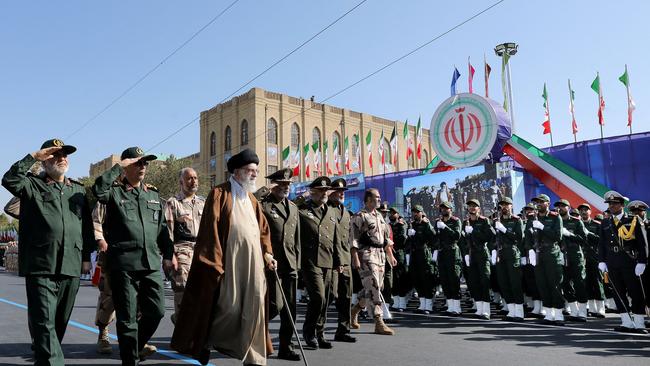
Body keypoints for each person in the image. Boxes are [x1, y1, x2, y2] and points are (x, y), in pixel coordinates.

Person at [170, 149, 275, 366]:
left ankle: (254, 358)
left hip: (254, 263)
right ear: (237, 172)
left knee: (255, 305)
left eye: (256, 170)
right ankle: (210, 339)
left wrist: (268, 253)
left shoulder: (252, 200)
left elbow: (263, 230)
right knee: (229, 307)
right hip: (229, 262)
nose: (255, 174)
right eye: (250, 170)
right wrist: (214, 263)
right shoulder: (220, 194)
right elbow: (210, 230)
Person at [2, 139, 94, 365]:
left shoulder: (78, 190)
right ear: (45, 160)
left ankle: (43, 350)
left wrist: (85, 258)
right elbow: (9, 179)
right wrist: (33, 156)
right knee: (45, 320)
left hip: (70, 263)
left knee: (58, 321)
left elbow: (86, 227)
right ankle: (51, 359)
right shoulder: (32, 185)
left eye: (64, 154)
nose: (61, 158)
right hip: (40, 263)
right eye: (55, 155)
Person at [92, 147, 174, 365]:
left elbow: (162, 228)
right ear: (127, 166)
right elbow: (98, 189)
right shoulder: (114, 192)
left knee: (156, 312)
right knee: (127, 318)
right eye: (138, 163)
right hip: (123, 265)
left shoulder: (153, 194)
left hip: (150, 264)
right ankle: (129, 360)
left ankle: (135, 348)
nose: (143, 167)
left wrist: (168, 254)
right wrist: (119, 165)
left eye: (145, 163)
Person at [257, 168, 302, 360]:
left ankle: (286, 346)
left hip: (290, 264)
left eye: (288, 184)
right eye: (281, 184)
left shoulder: (293, 207)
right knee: (275, 304)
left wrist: (297, 263)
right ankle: (254, 332)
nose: (285, 187)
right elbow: (257, 234)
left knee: (291, 309)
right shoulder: (263, 206)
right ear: (273, 186)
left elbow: (296, 239)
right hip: (271, 264)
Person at [598, 191, 647, 333]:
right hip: (612, 262)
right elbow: (602, 243)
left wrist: (642, 261)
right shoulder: (605, 222)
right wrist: (601, 260)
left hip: (629, 261)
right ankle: (626, 322)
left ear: (622, 205)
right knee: (618, 292)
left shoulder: (633, 220)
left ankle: (639, 322)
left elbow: (642, 243)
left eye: (615, 203)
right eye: (610, 203)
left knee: (635, 292)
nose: (612, 206)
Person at [350, 188, 396, 335]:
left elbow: (385, 239)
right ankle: (378, 321)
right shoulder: (360, 216)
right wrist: (355, 258)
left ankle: (355, 309)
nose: (379, 199)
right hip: (366, 255)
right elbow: (353, 239)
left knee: (374, 288)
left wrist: (390, 256)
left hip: (380, 256)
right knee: (374, 287)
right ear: (368, 200)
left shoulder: (380, 217)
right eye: (377, 197)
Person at [299, 176, 337, 349]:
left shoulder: (330, 211)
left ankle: (320, 333)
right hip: (310, 260)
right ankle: (309, 332)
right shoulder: (301, 210)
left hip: (328, 260)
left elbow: (335, 239)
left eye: (325, 190)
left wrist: (338, 261)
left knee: (328, 297)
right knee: (318, 297)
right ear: (312, 192)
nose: (323, 194)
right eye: (320, 190)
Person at [165, 167, 205, 324]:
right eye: (189, 178)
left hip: (201, 249)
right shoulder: (173, 203)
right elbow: (167, 233)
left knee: (202, 291)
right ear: (181, 182)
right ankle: (183, 326)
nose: (193, 181)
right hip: (181, 248)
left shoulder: (203, 202)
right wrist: (170, 256)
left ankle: (184, 321)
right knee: (182, 287)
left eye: (195, 178)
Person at [526, 194, 565, 325]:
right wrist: (529, 249)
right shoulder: (532, 218)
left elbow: (558, 236)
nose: (539, 204)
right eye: (537, 202)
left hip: (551, 252)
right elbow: (527, 236)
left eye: (542, 202)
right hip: (538, 253)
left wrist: (543, 227)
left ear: (548, 203)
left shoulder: (555, 217)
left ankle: (559, 313)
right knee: (542, 284)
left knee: (554, 284)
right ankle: (549, 313)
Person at [328, 178, 357, 343]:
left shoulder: (346, 212)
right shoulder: (325, 210)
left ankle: (343, 330)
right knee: (329, 296)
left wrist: (353, 258)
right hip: (330, 260)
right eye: (338, 191)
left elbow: (349, 239)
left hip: (345, 260)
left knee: (346, 297)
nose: (341, 194)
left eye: (343, 192)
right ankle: (316, 330)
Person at [460, 199, 495, 320]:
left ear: (479, 209)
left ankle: (486, 311)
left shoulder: (484, 221)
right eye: (470, 206)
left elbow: (490, 236)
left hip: (482, 254)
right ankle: (479, 309)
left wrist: (475, 231)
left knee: (484, 281)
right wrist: (465, 254)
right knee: (474, 282)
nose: (472, 208)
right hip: (471, 254)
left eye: (474, 206)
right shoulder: (466, 223)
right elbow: (463, 240)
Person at [554, 199, 589, 322]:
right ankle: (574, 311)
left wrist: (569, 234)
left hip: (575, 256)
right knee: (565, 284)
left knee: (579, 283)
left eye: (563, 206)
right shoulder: (554, 221)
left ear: (568, 208)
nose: (560, 208)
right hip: (561, 256)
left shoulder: (576, 222)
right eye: (558, 206)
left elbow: (584, 239)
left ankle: (583, 311)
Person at [494, 197, 525, 321]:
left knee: (515, 283)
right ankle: (511, 311)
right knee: (504, 282)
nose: (504, 207)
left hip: (512, 253)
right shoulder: (497, 220)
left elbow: (518, 238)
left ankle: (519, 312)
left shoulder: (517, 220)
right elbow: (493, 238)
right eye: (502, 205)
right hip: (501, 254)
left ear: (511, 206)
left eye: (507, 205)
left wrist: (504, 229)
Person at [434, 201, 463, 316]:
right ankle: (450, 307)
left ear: (451, 209)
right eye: (442, 208)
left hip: (452, 252)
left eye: (446, 208)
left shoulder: (456, 221)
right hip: (442, 252)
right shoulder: (438, 222)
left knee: (453, 280)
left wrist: (445, 227)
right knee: (445, 280)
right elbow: (436, 237)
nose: (444, 210)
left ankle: (457, 307)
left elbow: (457, 236)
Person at [406, 205, 436, 314]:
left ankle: (428, 305)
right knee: (417, 279)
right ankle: (422, 304)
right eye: (414, 212)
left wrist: (427, 225)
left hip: (424, 253)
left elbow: (433, 237)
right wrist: (408, 235)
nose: (415, 214)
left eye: (417, 212)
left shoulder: (426, 224)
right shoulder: (412, 225)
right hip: (414, 254)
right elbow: (408, 242)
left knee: (426, 279)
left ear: (421, 213)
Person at [578, 203, 606, 318]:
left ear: (590, 212)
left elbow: (601, 240)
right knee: (586, 283)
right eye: (581, 210)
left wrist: (588, 233)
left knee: (597, 282)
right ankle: (592, 308)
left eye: (586, 210)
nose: (583, 212)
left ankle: (601, 308)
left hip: (594, 256)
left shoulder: (596, 224)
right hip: (581, 257)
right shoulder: (577, 224)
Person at [388, 207, 410, 312]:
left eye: (394, 213)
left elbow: (402, 239)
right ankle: (396, 302)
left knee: (400, 278)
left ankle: (402, 303)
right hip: (390, 253)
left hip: (399, 253)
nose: (391, 215)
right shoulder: (388, 226)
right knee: (393, 279)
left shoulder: (402, 225)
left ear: (398, 214)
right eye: (390, 213)